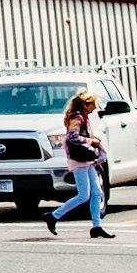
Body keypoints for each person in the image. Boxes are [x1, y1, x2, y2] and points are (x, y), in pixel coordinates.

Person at [48, 86, 113, 240]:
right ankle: (53, 216)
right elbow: (72, 137)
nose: (94, 108)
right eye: (92, 105)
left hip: (86, 159)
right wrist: (91, 141)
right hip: (78, 159)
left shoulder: (83, 117)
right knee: (84, 195)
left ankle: (96, 226)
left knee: (97, 193)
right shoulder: (77, 118)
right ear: (85, 104)